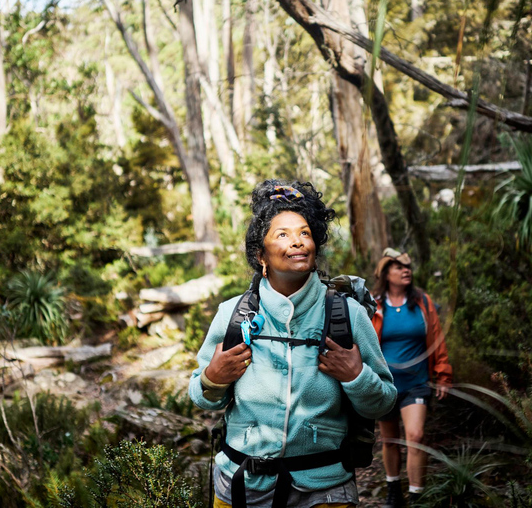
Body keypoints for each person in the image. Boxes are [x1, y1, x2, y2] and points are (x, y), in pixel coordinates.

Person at [189, 180, 397, 508]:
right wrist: (212, 378)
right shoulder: (232, 314)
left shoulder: (348, 315)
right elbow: (202, 398)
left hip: (324, 489)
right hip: (242, 486)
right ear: (261, 255)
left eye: (305, 233)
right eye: (282, 234)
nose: (297, 242)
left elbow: (384, 403)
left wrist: (357, 377)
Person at [370, 248, 453, 507]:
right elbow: (365, 344)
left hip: (416, 383)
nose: (406, 270)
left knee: (415, 436)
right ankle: (394, 490)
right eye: (397, 267)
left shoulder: (423, 303)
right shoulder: (374, 305)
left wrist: (442, 374)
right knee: (390, 440)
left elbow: (437, 339)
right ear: (385, 274)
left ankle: (417, 496)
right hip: (385, 386)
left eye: (407, 267)